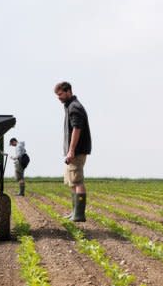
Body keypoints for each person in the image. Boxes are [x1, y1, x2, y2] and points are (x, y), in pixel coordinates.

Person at [55, 81, 92, 222]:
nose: (59, 97)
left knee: (77, 180)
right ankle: (75, 212)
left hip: (77, 151)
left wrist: (71, 151)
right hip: (73, 151)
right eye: (57, 95)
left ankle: (79, 214)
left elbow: (77, 129)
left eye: (60, 94)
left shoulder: (74, 107)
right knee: (71, 181)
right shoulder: (70, 106)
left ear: (68, 91)